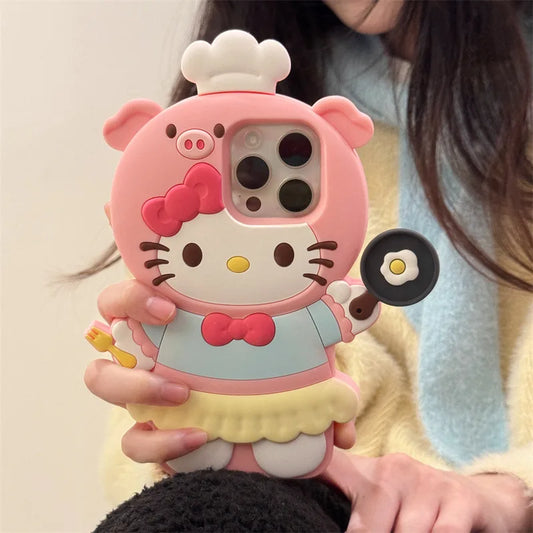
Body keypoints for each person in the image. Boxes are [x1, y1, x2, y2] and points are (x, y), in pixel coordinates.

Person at [84, 1, 533, 531]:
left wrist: (514, 489)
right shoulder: (218, 140)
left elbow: (344, 311)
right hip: (306, 497)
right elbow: (131, 461)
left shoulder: (319, 147)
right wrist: (169, 428)